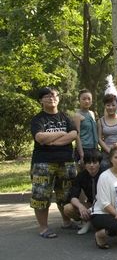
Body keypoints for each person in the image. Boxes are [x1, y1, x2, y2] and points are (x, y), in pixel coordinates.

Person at [30, 87, 79, 239]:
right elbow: (40, 137)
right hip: (43, 163)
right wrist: (61, 133)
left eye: (55, 95)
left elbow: (73, 134)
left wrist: (53, 142)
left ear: (58, 98)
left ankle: (67, 222)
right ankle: (43, 228)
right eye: (47, 96)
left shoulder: (65, 117)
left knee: (65, 194)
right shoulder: (38, 119)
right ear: (40, 100)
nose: (52, 98)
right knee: (41, 196)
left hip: (66, 161)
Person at [63, 149, 104, 235]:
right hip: (91, 204)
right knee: (68, 208)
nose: (91, 165)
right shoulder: (81, 176)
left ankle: (99, 223)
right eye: (88, 163)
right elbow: (73, 196)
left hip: (105, 205)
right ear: (85, 164)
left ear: (99, 163)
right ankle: (87, 220)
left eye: (94, 162)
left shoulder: (105, 174)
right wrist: (81, 207)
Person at [98, 94, 117, 171]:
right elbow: (99, 139)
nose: (111, 107)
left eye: (113, 105)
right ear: (104, 106)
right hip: (106, 153)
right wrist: (109, 150)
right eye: (108, 105)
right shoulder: (100, 121)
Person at [72, 89, 98, 164]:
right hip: (83, 149)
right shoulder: (77, 116)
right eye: (84, 99)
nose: (87, 101)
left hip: (93, 148)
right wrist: (81, 154)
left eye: (89, 99)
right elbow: (77, 136)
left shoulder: (92, 113)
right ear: (79, 100)